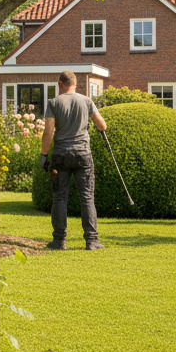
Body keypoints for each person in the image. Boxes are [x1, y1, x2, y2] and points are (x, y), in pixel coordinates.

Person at [39, 71, 106, 251]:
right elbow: (102, 125)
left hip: (61, 155)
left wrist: (43, 155)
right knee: (87, 197)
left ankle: (59, 241)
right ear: (75, 84)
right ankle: (92, 241)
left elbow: (48, 131)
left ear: (61, 83)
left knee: (60, 197)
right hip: (83, 154)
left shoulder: (54, 103)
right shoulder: (87, 101)